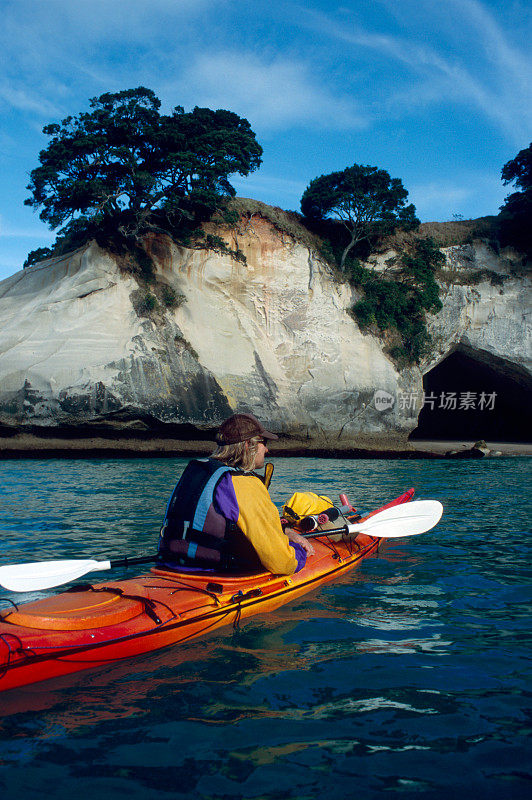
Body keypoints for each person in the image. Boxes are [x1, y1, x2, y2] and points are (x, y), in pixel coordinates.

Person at [158, 413, 314, 575]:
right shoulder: (241, 482)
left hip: (171, 565)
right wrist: (299, 550)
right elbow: (283, 563)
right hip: (217, 573)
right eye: (264, 443)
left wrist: (285, 532)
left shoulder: (195, 470)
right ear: (248, 445)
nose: (267, 449)